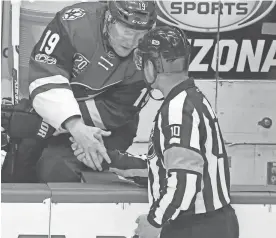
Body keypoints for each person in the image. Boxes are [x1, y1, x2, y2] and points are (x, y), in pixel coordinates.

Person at [73, 26, 239, 238]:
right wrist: (107, 158)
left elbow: (184, 180)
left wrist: (155, 222)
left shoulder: (178, 110)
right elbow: (161, 167)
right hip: (207, 225)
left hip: (196, 228)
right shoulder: (191, 100)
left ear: (151, 66)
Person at [1, 1, 157, 183]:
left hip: (108, 129)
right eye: (127, 31)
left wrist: (73, 130)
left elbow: (116, 111)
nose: (131, 42)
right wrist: (73, 126)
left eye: (140, 34)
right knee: (21, 157)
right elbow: (45, 74)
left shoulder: (152, 50)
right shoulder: (73, 22)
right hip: (60, 113)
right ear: (109, 18)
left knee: (55, 168)